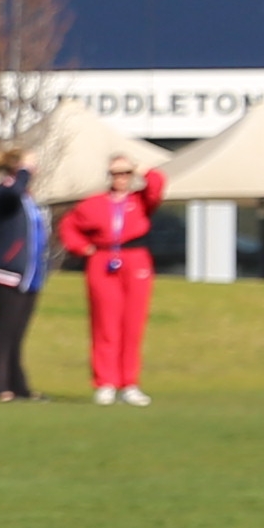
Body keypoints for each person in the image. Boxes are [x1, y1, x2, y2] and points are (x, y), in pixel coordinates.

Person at [52, 149, 163, 405]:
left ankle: (129, 383)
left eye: (125, 173)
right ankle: (106, 382)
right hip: (103, 260)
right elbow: (68, 226)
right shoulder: (94, 204)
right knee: (105, 323)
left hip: (135, 259)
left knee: (133, 324)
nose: (121, 178)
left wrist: (142, 170)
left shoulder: (141, 201)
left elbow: (157, 186)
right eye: (116, 173)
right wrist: (82, 248)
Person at [0, 146, 47, 402]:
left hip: (28, 274)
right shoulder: (3, 191)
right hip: (7, 271)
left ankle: (19, 386)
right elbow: (13, 193)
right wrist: (24, 171)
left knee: (18, 332)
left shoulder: (27, 197)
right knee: (4, 331)